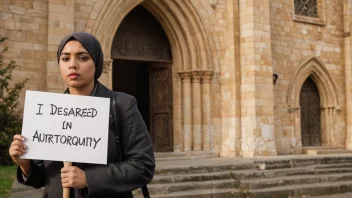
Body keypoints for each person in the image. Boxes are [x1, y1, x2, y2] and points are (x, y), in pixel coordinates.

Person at [8, 32, 155, 198]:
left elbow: (143, 166)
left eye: (83, 58)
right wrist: (25, 164)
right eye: (65, 58)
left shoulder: (121, 105)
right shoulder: (48, 110)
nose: (73, 65)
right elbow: (46, 178)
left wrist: (89, 179)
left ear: (97, 62)